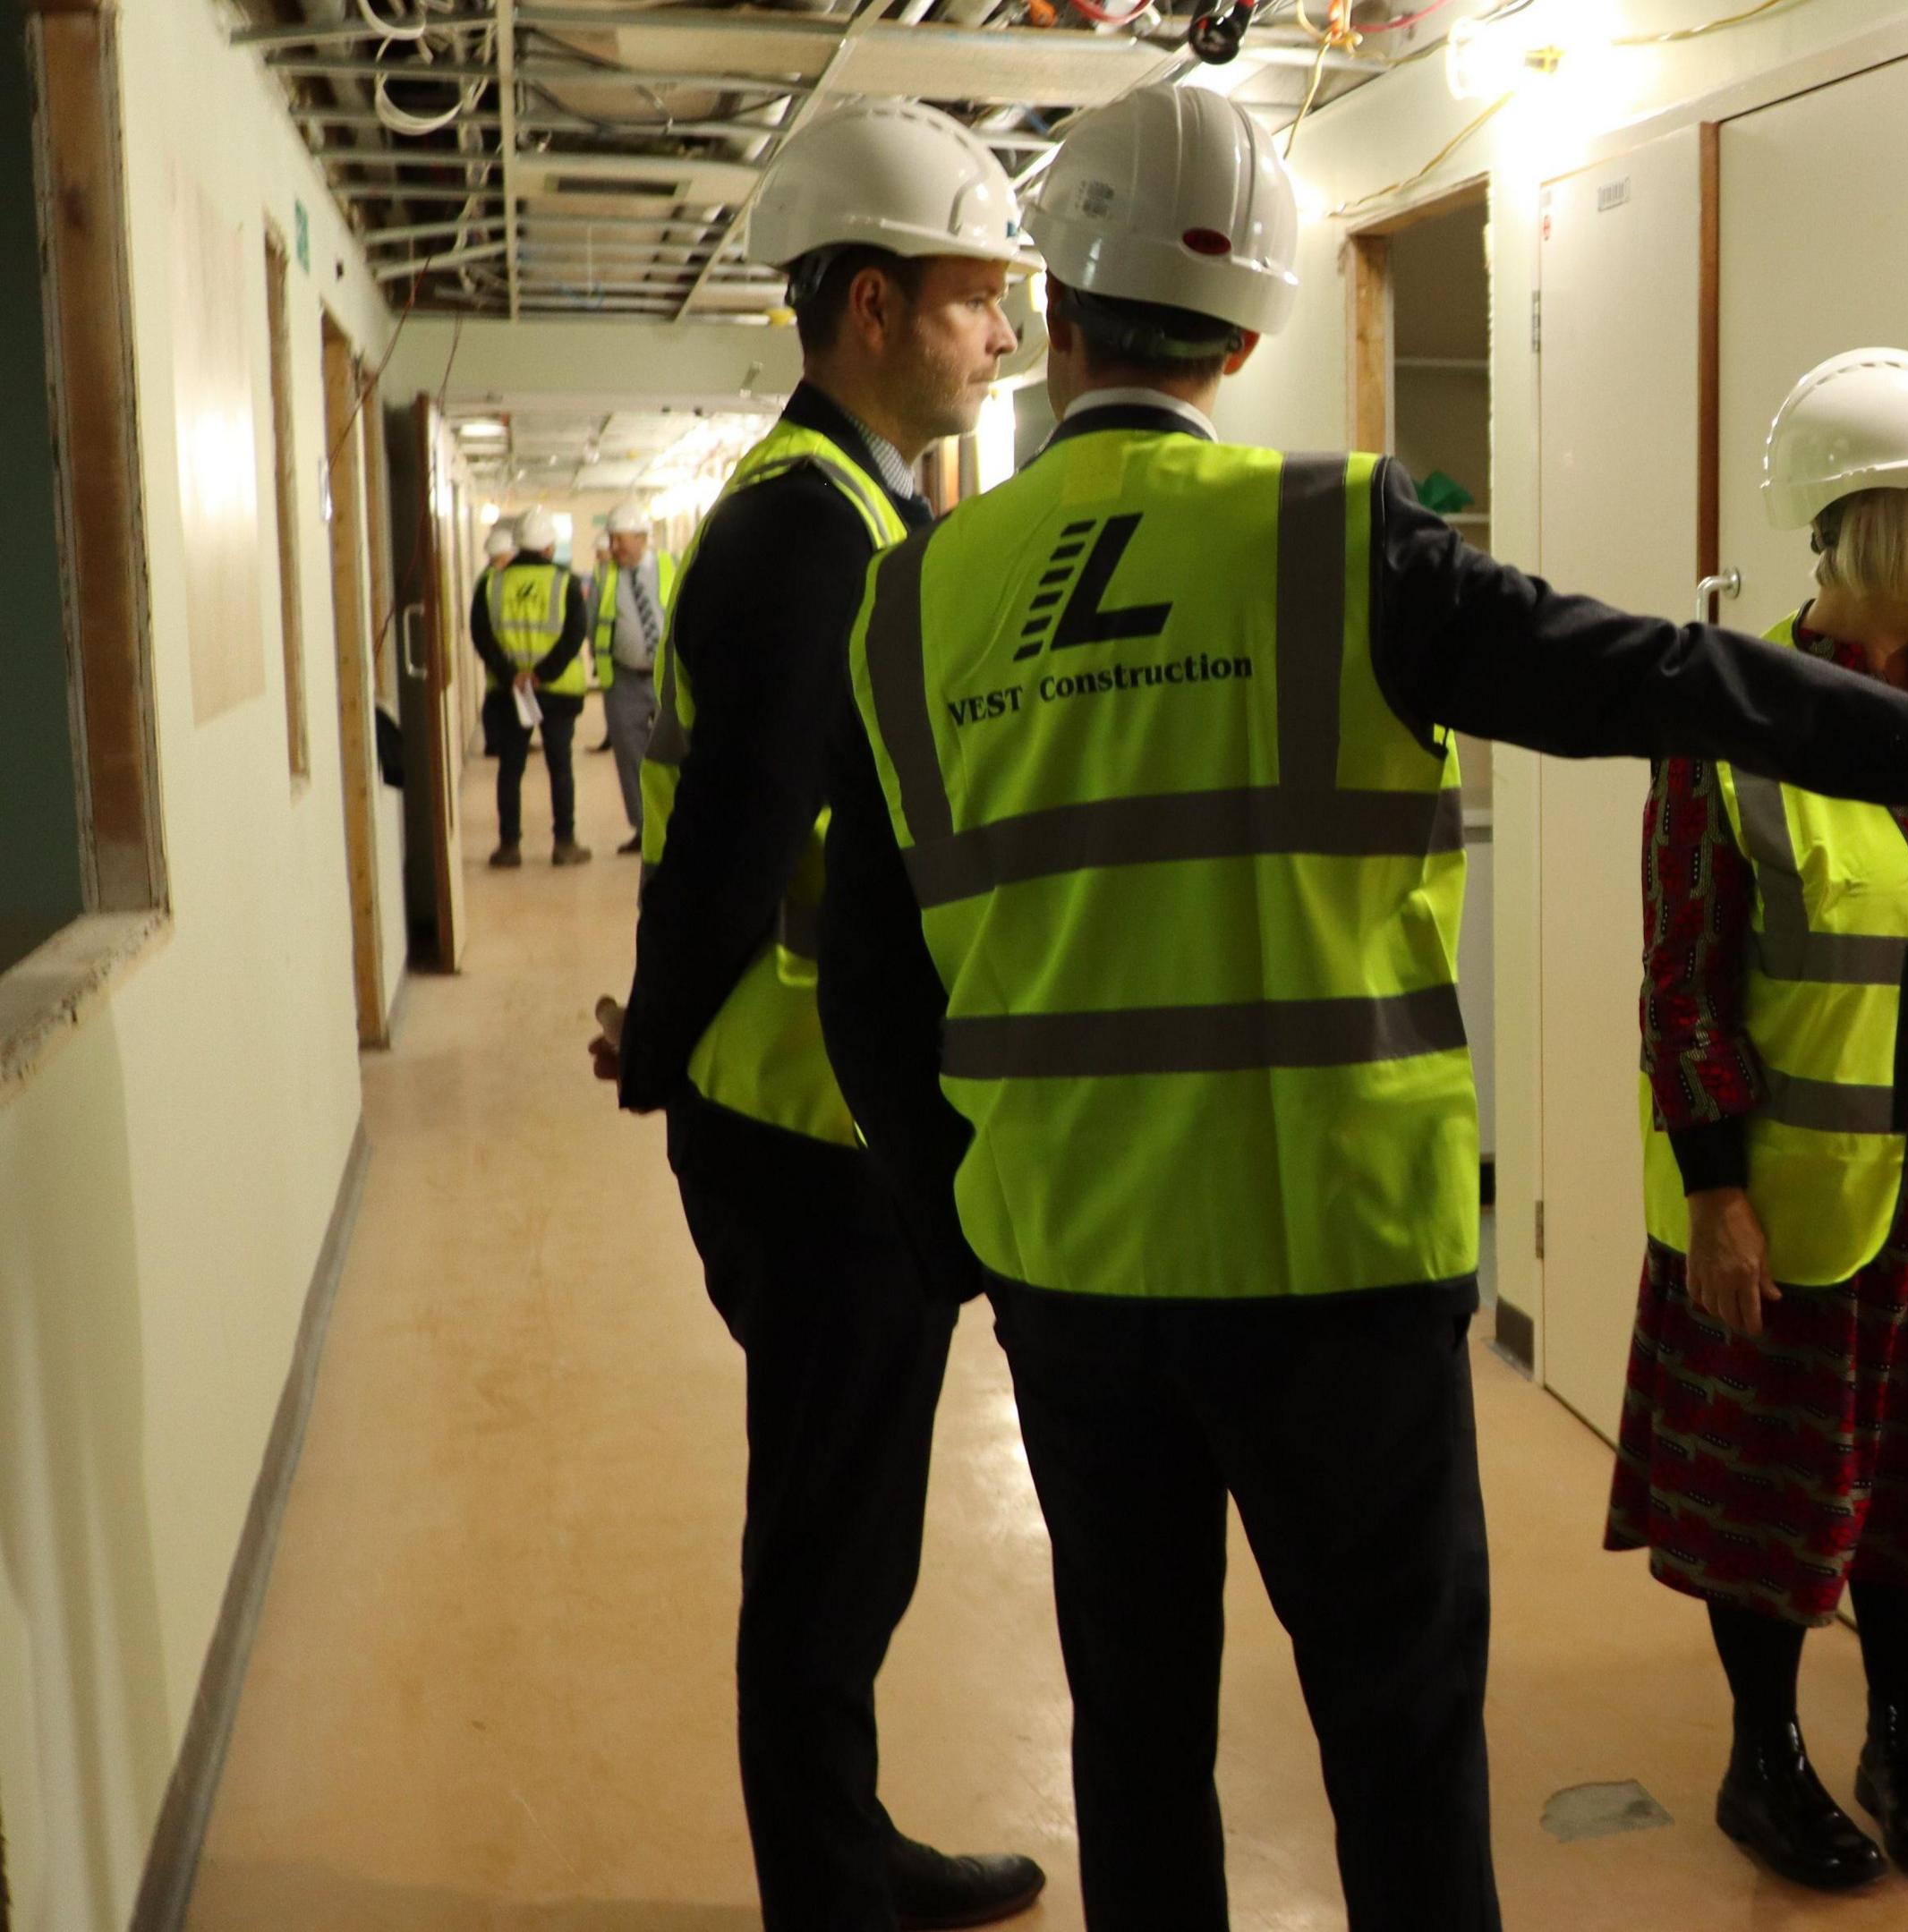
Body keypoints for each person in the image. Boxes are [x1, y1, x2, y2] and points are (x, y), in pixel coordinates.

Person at [813, 84, 1908, 1932]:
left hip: (1076, 1276)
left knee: (1135, 1733)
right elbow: (1683, 681)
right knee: (1398, 1738)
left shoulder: (912, 597)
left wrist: (964, 1243)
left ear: (1056, 326)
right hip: (1341, 1275)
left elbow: (862, 976)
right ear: (1251, 331)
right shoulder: (1343, 540)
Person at [590, 98, 1046, 1932]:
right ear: (872, 304)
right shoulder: (809, 535)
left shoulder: (843, 509)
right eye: (973, 298)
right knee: (827, 1540)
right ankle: (829, 1883)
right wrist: (668, 1048)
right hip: (803, 1121)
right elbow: (739, 838)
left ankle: (846, 1847)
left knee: (848, 1532)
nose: (1002, 332)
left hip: (811, 1105)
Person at [1603, 347, 1908, 1891]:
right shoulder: (1731, 721)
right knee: (1775, 1496)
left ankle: (1902, 1728)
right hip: (1806, 1198)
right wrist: (1715, 1194)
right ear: (1882, 526)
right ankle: (1765, 1756)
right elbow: (1681, 982)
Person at [472, 508, 593, 867]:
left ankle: (509, 846)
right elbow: (575, 635)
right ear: (549, 547)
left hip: (510, 691)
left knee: (511, 768)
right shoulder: (565, 582)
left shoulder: (491, 583)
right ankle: (565, 844)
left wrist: (513, 674)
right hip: (558, 690)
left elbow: (481, 635)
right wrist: (543, 673)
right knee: (560, 765)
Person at [595, 499, 677, 854]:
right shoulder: (604, 575)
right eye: (611, 540)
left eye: (621, 540)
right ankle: (644, 829)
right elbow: (593, 625)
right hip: (623, 679)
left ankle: (677, 826)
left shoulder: (670, 565)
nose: (614, 548)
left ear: (643, 537)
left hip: (666, 676)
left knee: (673, 753)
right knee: (631, 759)